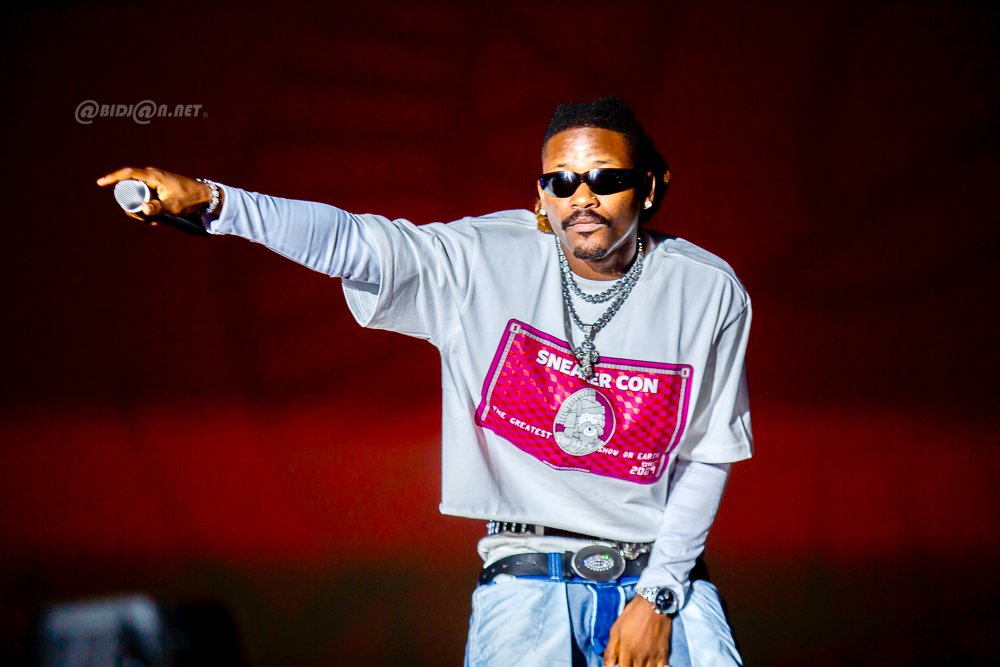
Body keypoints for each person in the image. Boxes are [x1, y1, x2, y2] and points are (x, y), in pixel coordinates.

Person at [97, 96, 752, 667]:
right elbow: (351, 241)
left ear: (650, 185)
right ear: (540, 198)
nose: (581, 197)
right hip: (527, 573)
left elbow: (708, 453)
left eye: (606, 178)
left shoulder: (706, 291)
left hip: (660, 570)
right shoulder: (479, 261)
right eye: (561, 181)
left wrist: (658, 595)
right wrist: (216, 201)